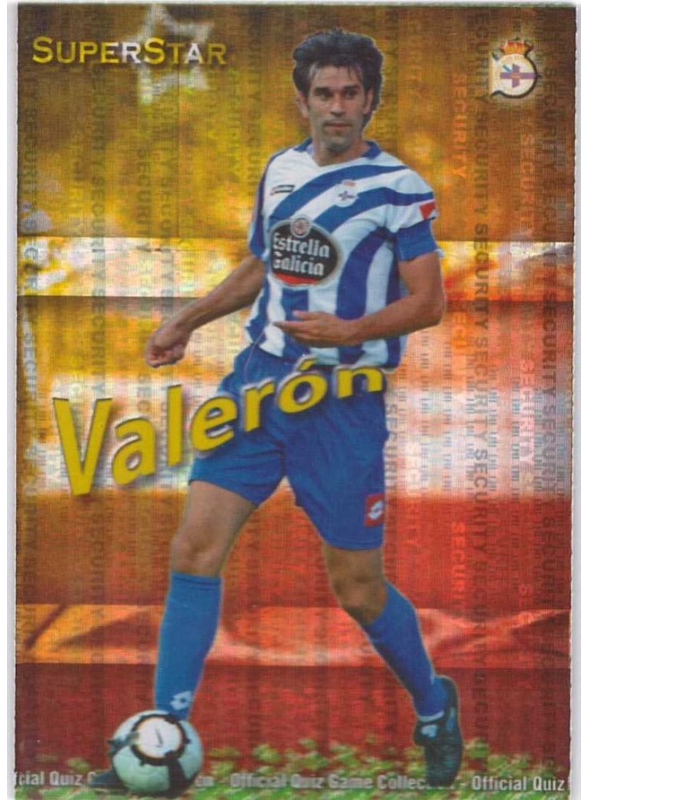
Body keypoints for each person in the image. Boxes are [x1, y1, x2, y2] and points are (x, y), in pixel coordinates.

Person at [91, 28, 462, 791]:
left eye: (351, 93)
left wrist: (352, 331)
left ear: (370, 100)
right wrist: (186, 320)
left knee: (357, 589)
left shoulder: (398, 188)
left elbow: (428, 302)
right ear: (303, 100)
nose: (337, 107)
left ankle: (434, 707)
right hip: (259, 386)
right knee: (194, 550)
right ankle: (163, 739)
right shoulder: (281, 170)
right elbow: (262, 264)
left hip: (342, 402)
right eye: (324, 93)